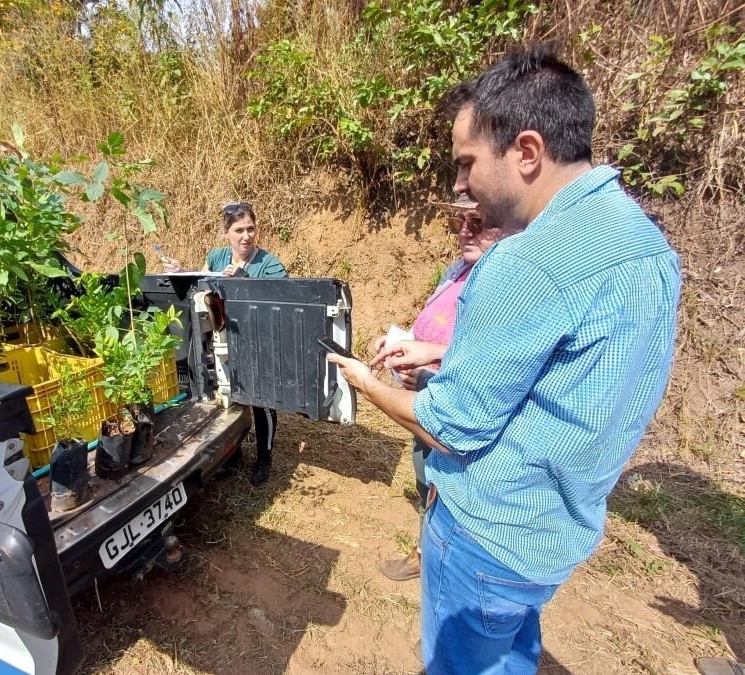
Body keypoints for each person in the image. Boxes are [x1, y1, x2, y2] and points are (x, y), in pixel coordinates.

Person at [330, 46, 681, 674]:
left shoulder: (526, 263)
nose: (461, 185)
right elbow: (557, 372)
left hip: (485, 534)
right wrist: (445, 351)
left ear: (526, 152)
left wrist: (363, 382)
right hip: (553, 536)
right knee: (512, 656)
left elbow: (448, 426)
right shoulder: (641, 240)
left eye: (467, 162)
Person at [375, 199, 511, 582]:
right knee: (426, 476)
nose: (466, 230)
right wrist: (402, 349)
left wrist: (431, 367)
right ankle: (428, 548)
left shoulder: (504, 284)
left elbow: (493, 359)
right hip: (427, 397)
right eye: (460, 221)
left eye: (478, 222)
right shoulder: (457, 272)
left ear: (504, 227)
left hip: (459, 409)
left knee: (451, 488)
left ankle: (438, 560)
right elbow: (433, 330)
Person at [162, 202, 287, 485]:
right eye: (239, 230)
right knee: (231, 397)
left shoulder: (270, 263)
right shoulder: (217, 257)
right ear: (226, 232)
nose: (246, 236)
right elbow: (203, 284)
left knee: (262, 402)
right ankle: (232, 453)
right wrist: (182, 271)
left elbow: (280, 299)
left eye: (251, 229)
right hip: (223, 342)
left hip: (258, 343)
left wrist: (242, 278)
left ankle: (265, 456)